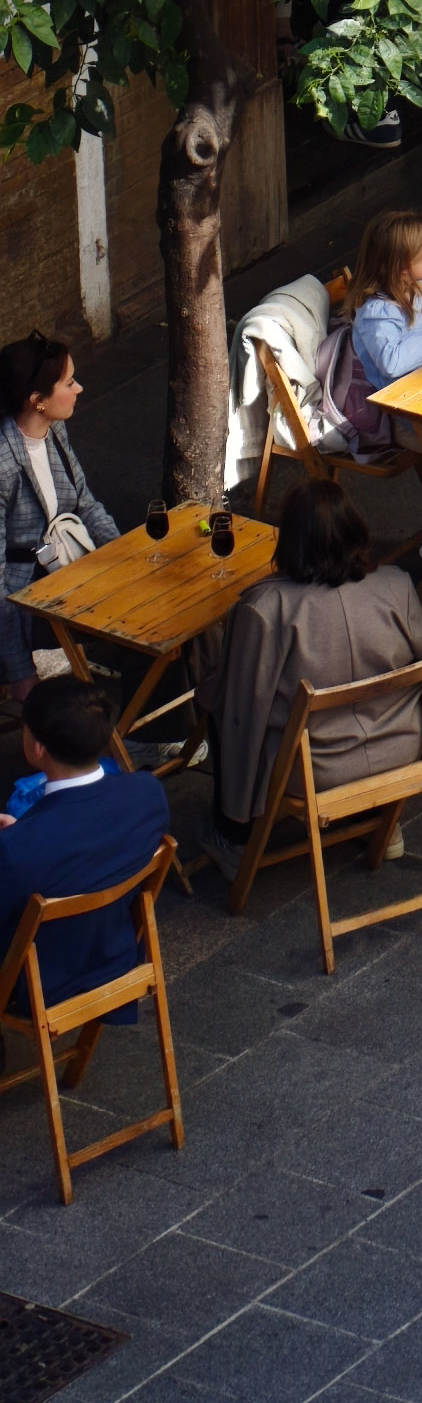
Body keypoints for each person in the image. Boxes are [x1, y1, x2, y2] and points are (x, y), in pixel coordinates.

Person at [202, 476, 422, 851]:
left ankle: (235, 838)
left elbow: (242, 709)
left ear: (290, 539)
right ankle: (382, 820)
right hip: (400, 750)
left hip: (312, 770)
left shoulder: (265, 609)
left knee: (220, 702)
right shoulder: (397, 586)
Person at [0, 673, 169, 1002]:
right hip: (115, 957)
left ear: (37, 748)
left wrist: (16, 841)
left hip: (39, 985)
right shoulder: (148, 794)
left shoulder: (19, 850)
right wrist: (21, 833)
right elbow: (79, 839)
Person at [0, 334, 117, 661]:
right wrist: (19, 668)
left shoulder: (53, 429)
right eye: (69, 383)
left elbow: (86, 503)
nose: (79, 388)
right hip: (27, 597)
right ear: (37, 399)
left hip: (66, 567)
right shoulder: (3, 466)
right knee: (142, 643)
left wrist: (124, 557)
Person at [346, 210, 422, 413]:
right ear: (403, 266)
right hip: (402, 409)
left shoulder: (419, 288)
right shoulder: (377, 312)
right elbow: (391, 364)